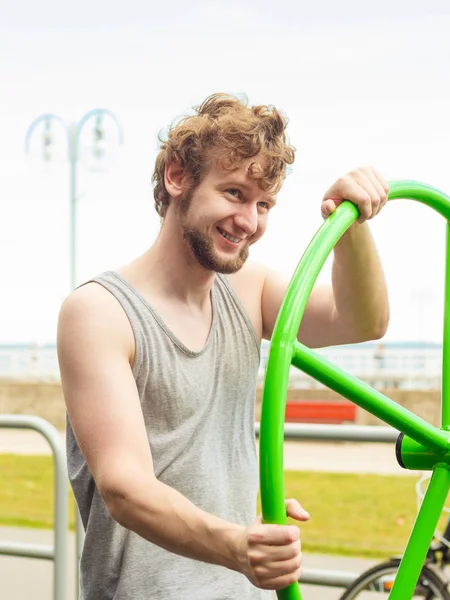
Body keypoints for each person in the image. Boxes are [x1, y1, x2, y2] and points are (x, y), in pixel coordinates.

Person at [57, 93, 390, 600]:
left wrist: (353, 224)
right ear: (177, 177)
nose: (250, 222)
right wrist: (237, 543)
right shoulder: (99, 312)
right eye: (234, 193)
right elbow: (125, 487)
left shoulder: (249, 290)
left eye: (264, 204)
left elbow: (362, 320)